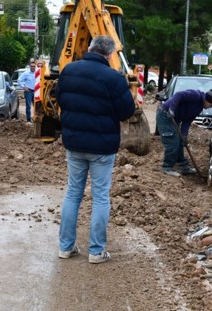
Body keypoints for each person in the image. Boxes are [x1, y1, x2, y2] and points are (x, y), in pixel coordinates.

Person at [56, 35, 136, 264]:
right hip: (102, 146)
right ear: (110, 55)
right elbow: (126, 112)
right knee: (100, 196)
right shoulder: (113, 78)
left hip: (74, 142)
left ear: (89, 48)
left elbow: (61, 99)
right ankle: (96, 251)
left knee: (73, 193)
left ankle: (65, 247)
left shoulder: (69, 71)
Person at [157, 88, 212, 176]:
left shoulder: (199, 108)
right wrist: (172, 109)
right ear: (207, 101)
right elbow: (179, 94)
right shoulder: (196, 95)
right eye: (211, 105)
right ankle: (167, 167)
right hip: (165, 115)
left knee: (180, 142)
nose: (210, 107)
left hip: (175, 119)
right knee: (172, 142)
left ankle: (183, 166)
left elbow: (187, 121)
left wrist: (184, 136)